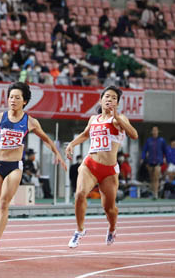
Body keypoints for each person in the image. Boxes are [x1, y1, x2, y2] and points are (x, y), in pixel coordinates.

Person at [0, 82, 66, 256]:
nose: (13, 100)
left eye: (17, 98)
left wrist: (58, 154)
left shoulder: (30, 122)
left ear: (24, 101)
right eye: (11, 97)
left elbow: (47, 140)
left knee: (4, 204)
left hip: (14, 166)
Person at [65, 85, 138, 248]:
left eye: (113, 98)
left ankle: (112, 228)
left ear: (117, 103)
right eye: (107, 97)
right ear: (101, 100)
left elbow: (134, 135)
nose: (109, 100)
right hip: (90, 164)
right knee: (79, 194)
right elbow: (85, 134)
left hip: (109, 171)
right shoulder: (94, 119)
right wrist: (72, 144)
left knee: (109, 208)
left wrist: (118, 118)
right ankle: (79, 230)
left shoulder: (120, 119)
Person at [141, 126, 167, 199]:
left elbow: (165, 151)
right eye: (153, 130)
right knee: (152, 178)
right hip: (150, 161)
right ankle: (153, 192)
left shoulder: (162, 140)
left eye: (156, 130)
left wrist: (166, 159)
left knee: (156, 177)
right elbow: (144, 150)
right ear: (152, 132)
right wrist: (142, 158)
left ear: (158, 131)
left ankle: (156, 193)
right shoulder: (149, 140)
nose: (155, 132)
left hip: (158, 161)